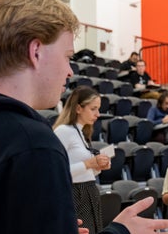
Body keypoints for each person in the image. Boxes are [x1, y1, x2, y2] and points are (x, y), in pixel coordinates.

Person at [0, 0, 168, 234]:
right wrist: (121, 231)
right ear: (35, 52)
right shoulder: (31, 142)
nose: (70, 71)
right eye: (67, 56)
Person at [53, 86, 111, 234]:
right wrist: (88, 164)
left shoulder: (81, 132)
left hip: (89, 191)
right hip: (75, 193)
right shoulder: (63, 131)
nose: (98, 114)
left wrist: (97, 167)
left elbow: (86, 171)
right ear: (78, 108)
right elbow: (55, 172)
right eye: (93, 109)